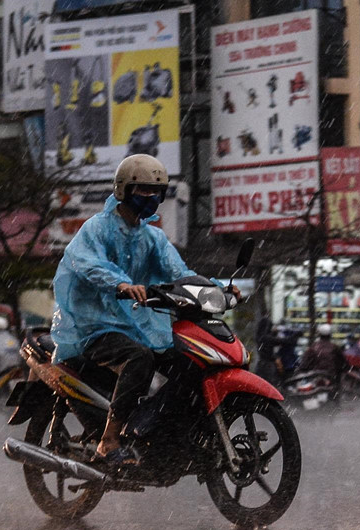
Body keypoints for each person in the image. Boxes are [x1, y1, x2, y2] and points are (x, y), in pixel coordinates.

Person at [51, 154, 239, 467]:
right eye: (144, 192)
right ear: (124, 190)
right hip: (93, 324)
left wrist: (218, 290)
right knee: (140, 358)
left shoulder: (153, 237)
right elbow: (87, 263)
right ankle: (109, 441)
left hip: (133, 324)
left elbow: (178, 272)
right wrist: (121, 285)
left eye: (157, 193)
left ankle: (150, 432)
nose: (151, 199)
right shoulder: (96, 228)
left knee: (186, 362)